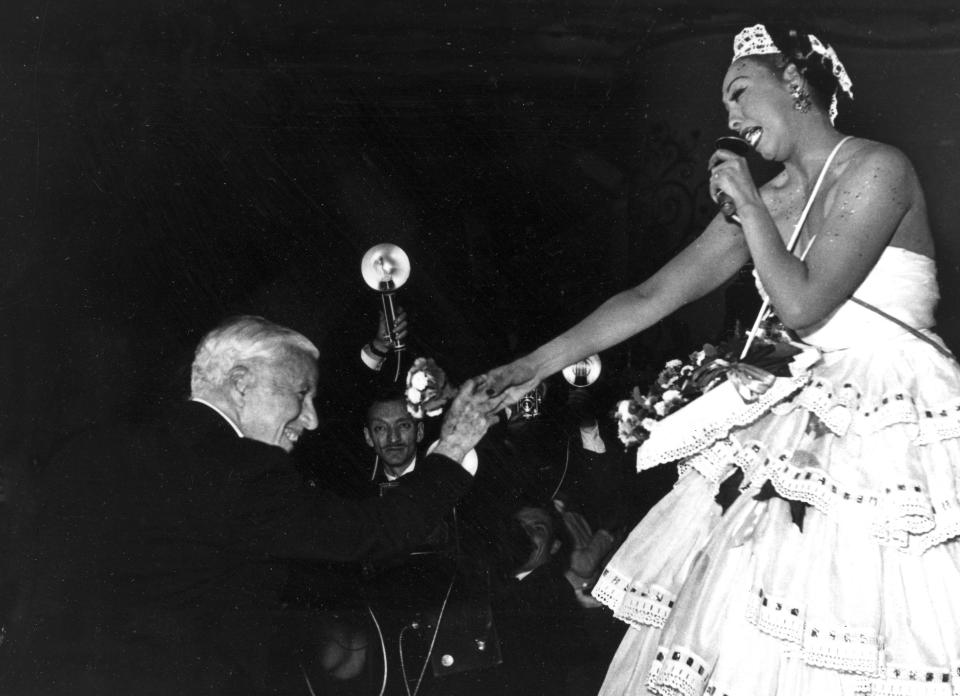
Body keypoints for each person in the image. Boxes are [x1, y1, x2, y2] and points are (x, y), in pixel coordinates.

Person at [482, 22, 960, 696]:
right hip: (810, 408)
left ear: (793, 83)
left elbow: (801, 303)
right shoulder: (765, 200)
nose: (730, 119)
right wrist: (532, 363)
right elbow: (650, 296)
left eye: (739, 95)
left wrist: (748, 205)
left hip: (895, 412)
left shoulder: (877, 168)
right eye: (724, 109)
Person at [2, 315, 497, 695]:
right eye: (301, 394)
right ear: (240, 384)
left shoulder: (92, 447)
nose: (313, 419)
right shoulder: (236, 469)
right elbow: (369, 533)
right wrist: (453, 446)